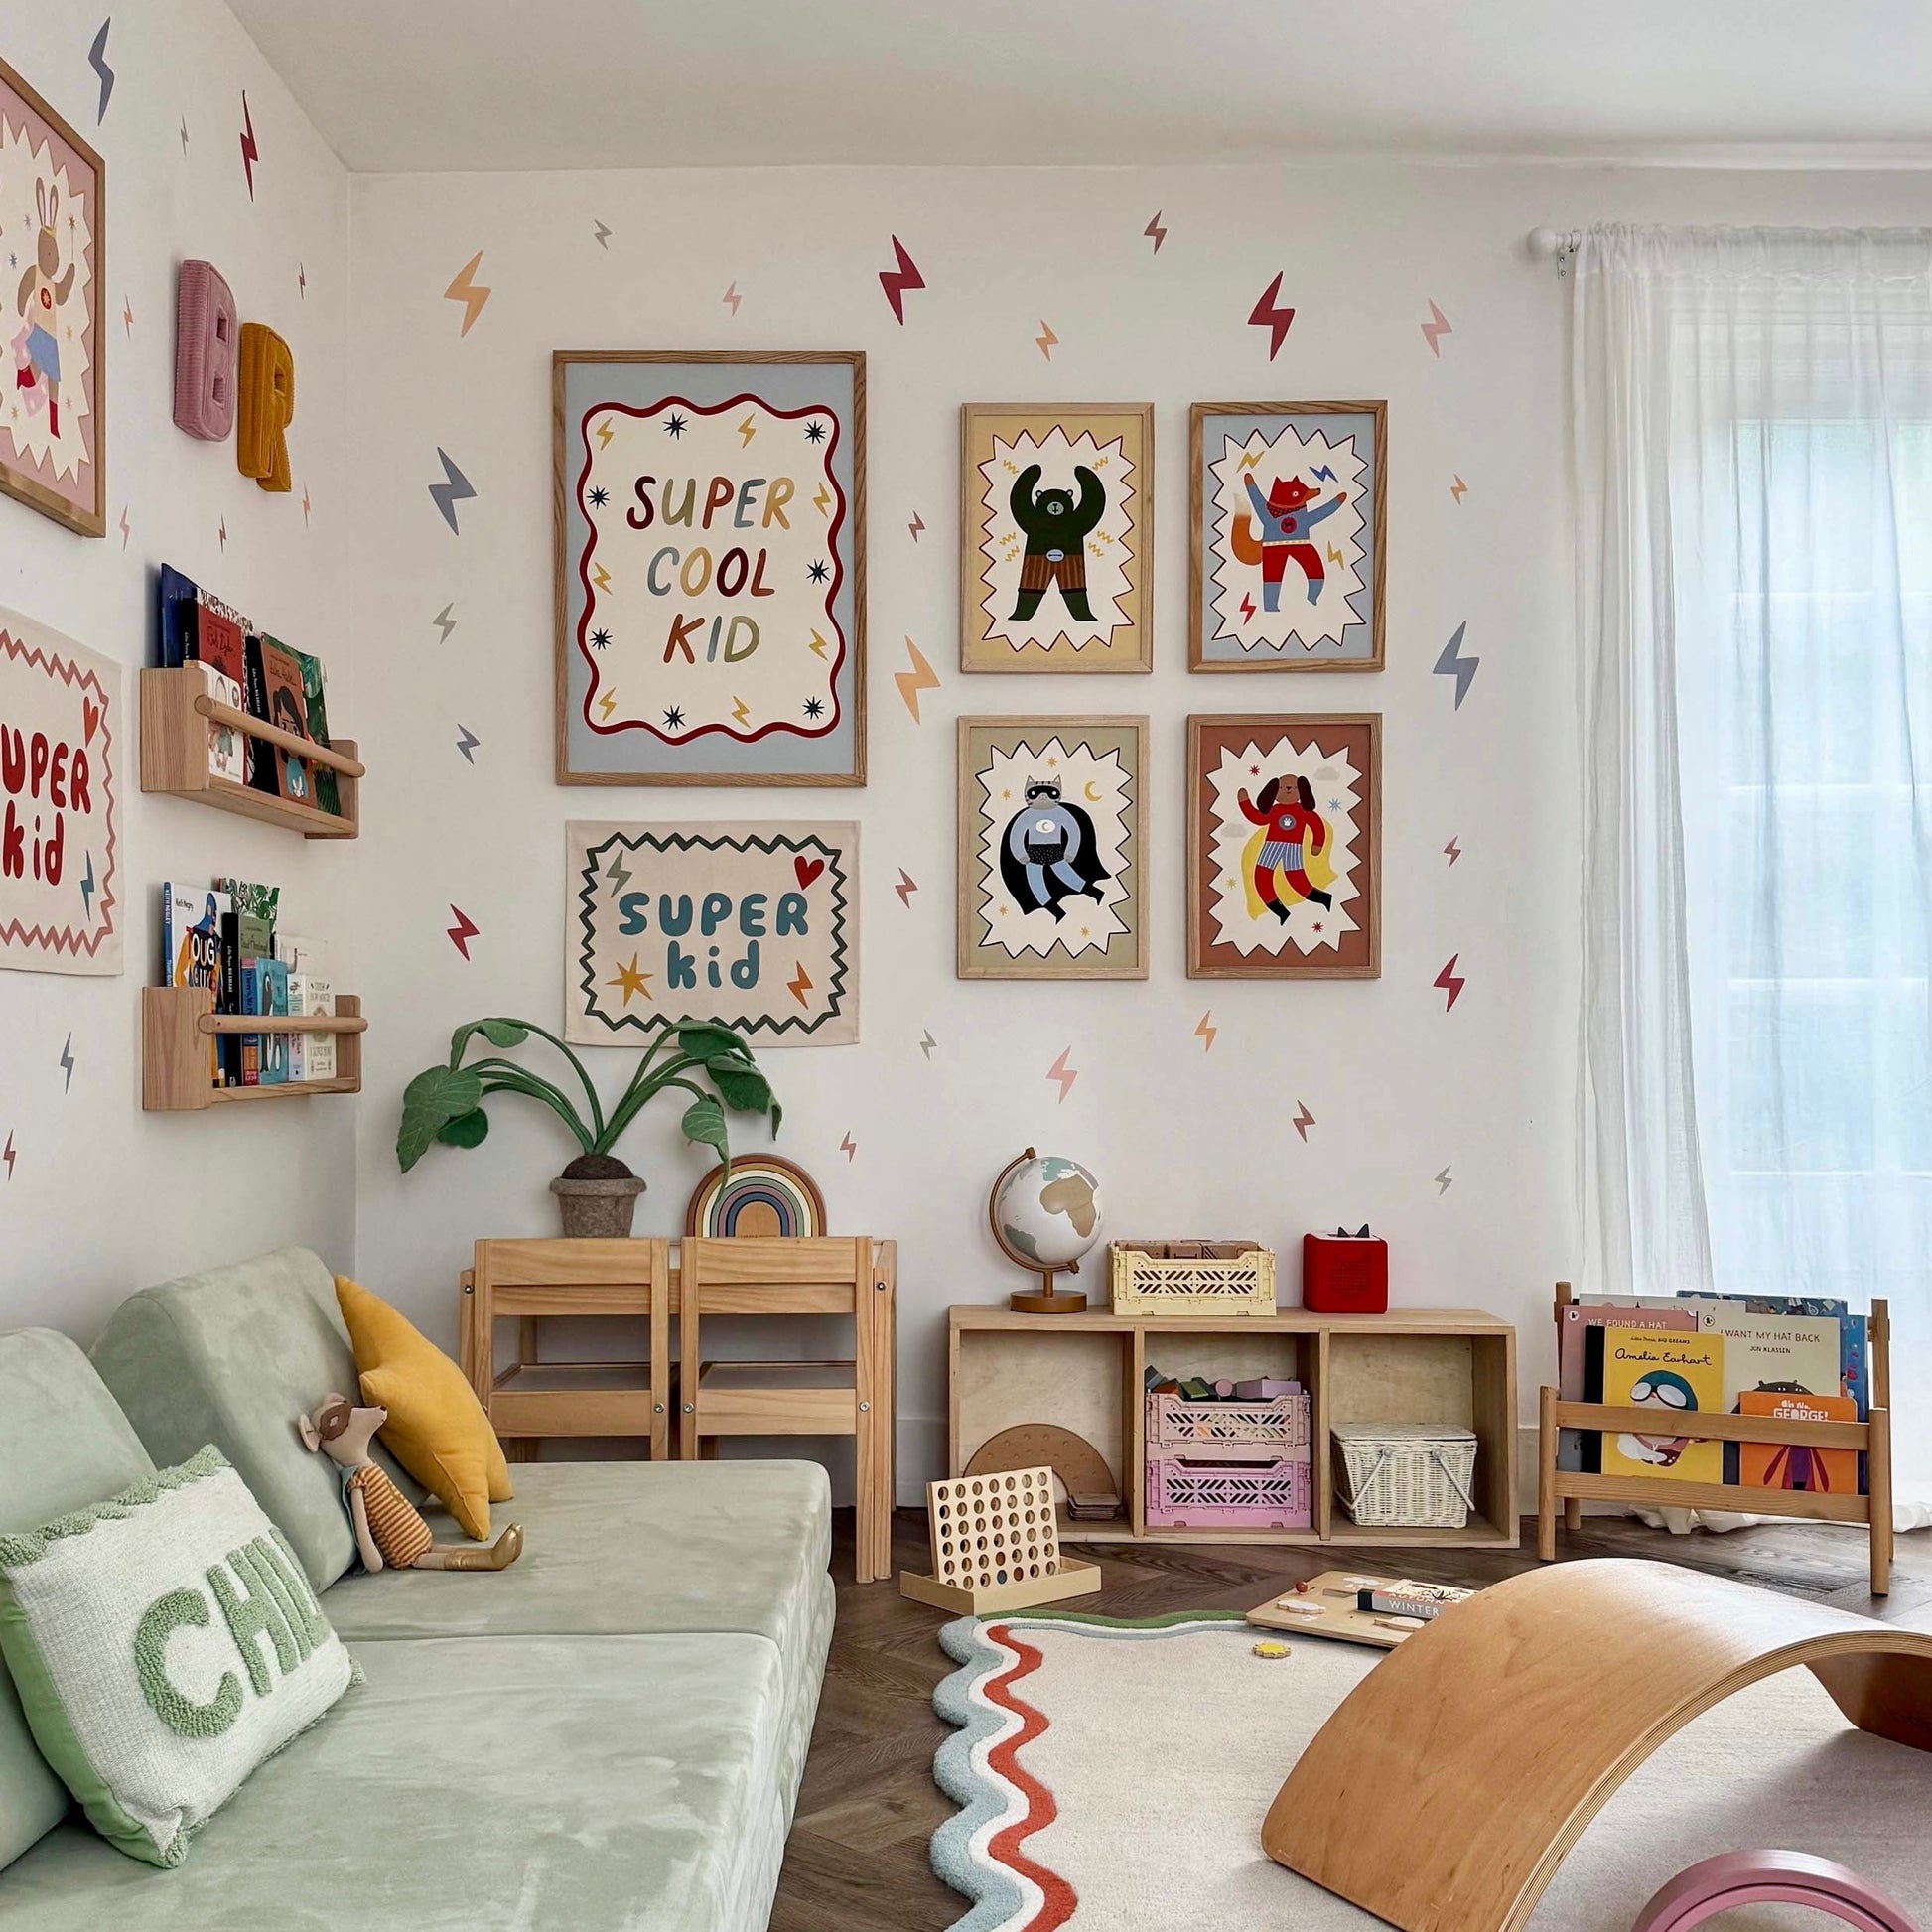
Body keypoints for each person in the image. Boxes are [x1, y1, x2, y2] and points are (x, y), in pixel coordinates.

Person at [1238, 774, 1330, 920]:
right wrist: (1244, 803)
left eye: (1294, 787)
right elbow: (1257, 817)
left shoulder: (1303, 811)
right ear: (1274, 792)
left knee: (1296, 879)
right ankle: (1281, 912)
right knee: (1261, 877)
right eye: (1281, 787)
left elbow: (1317, 826)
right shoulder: (1274, 810)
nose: (1287, 789)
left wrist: (1317, 844)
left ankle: (1325, 899)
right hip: (1271, 846)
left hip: (1293, 848)